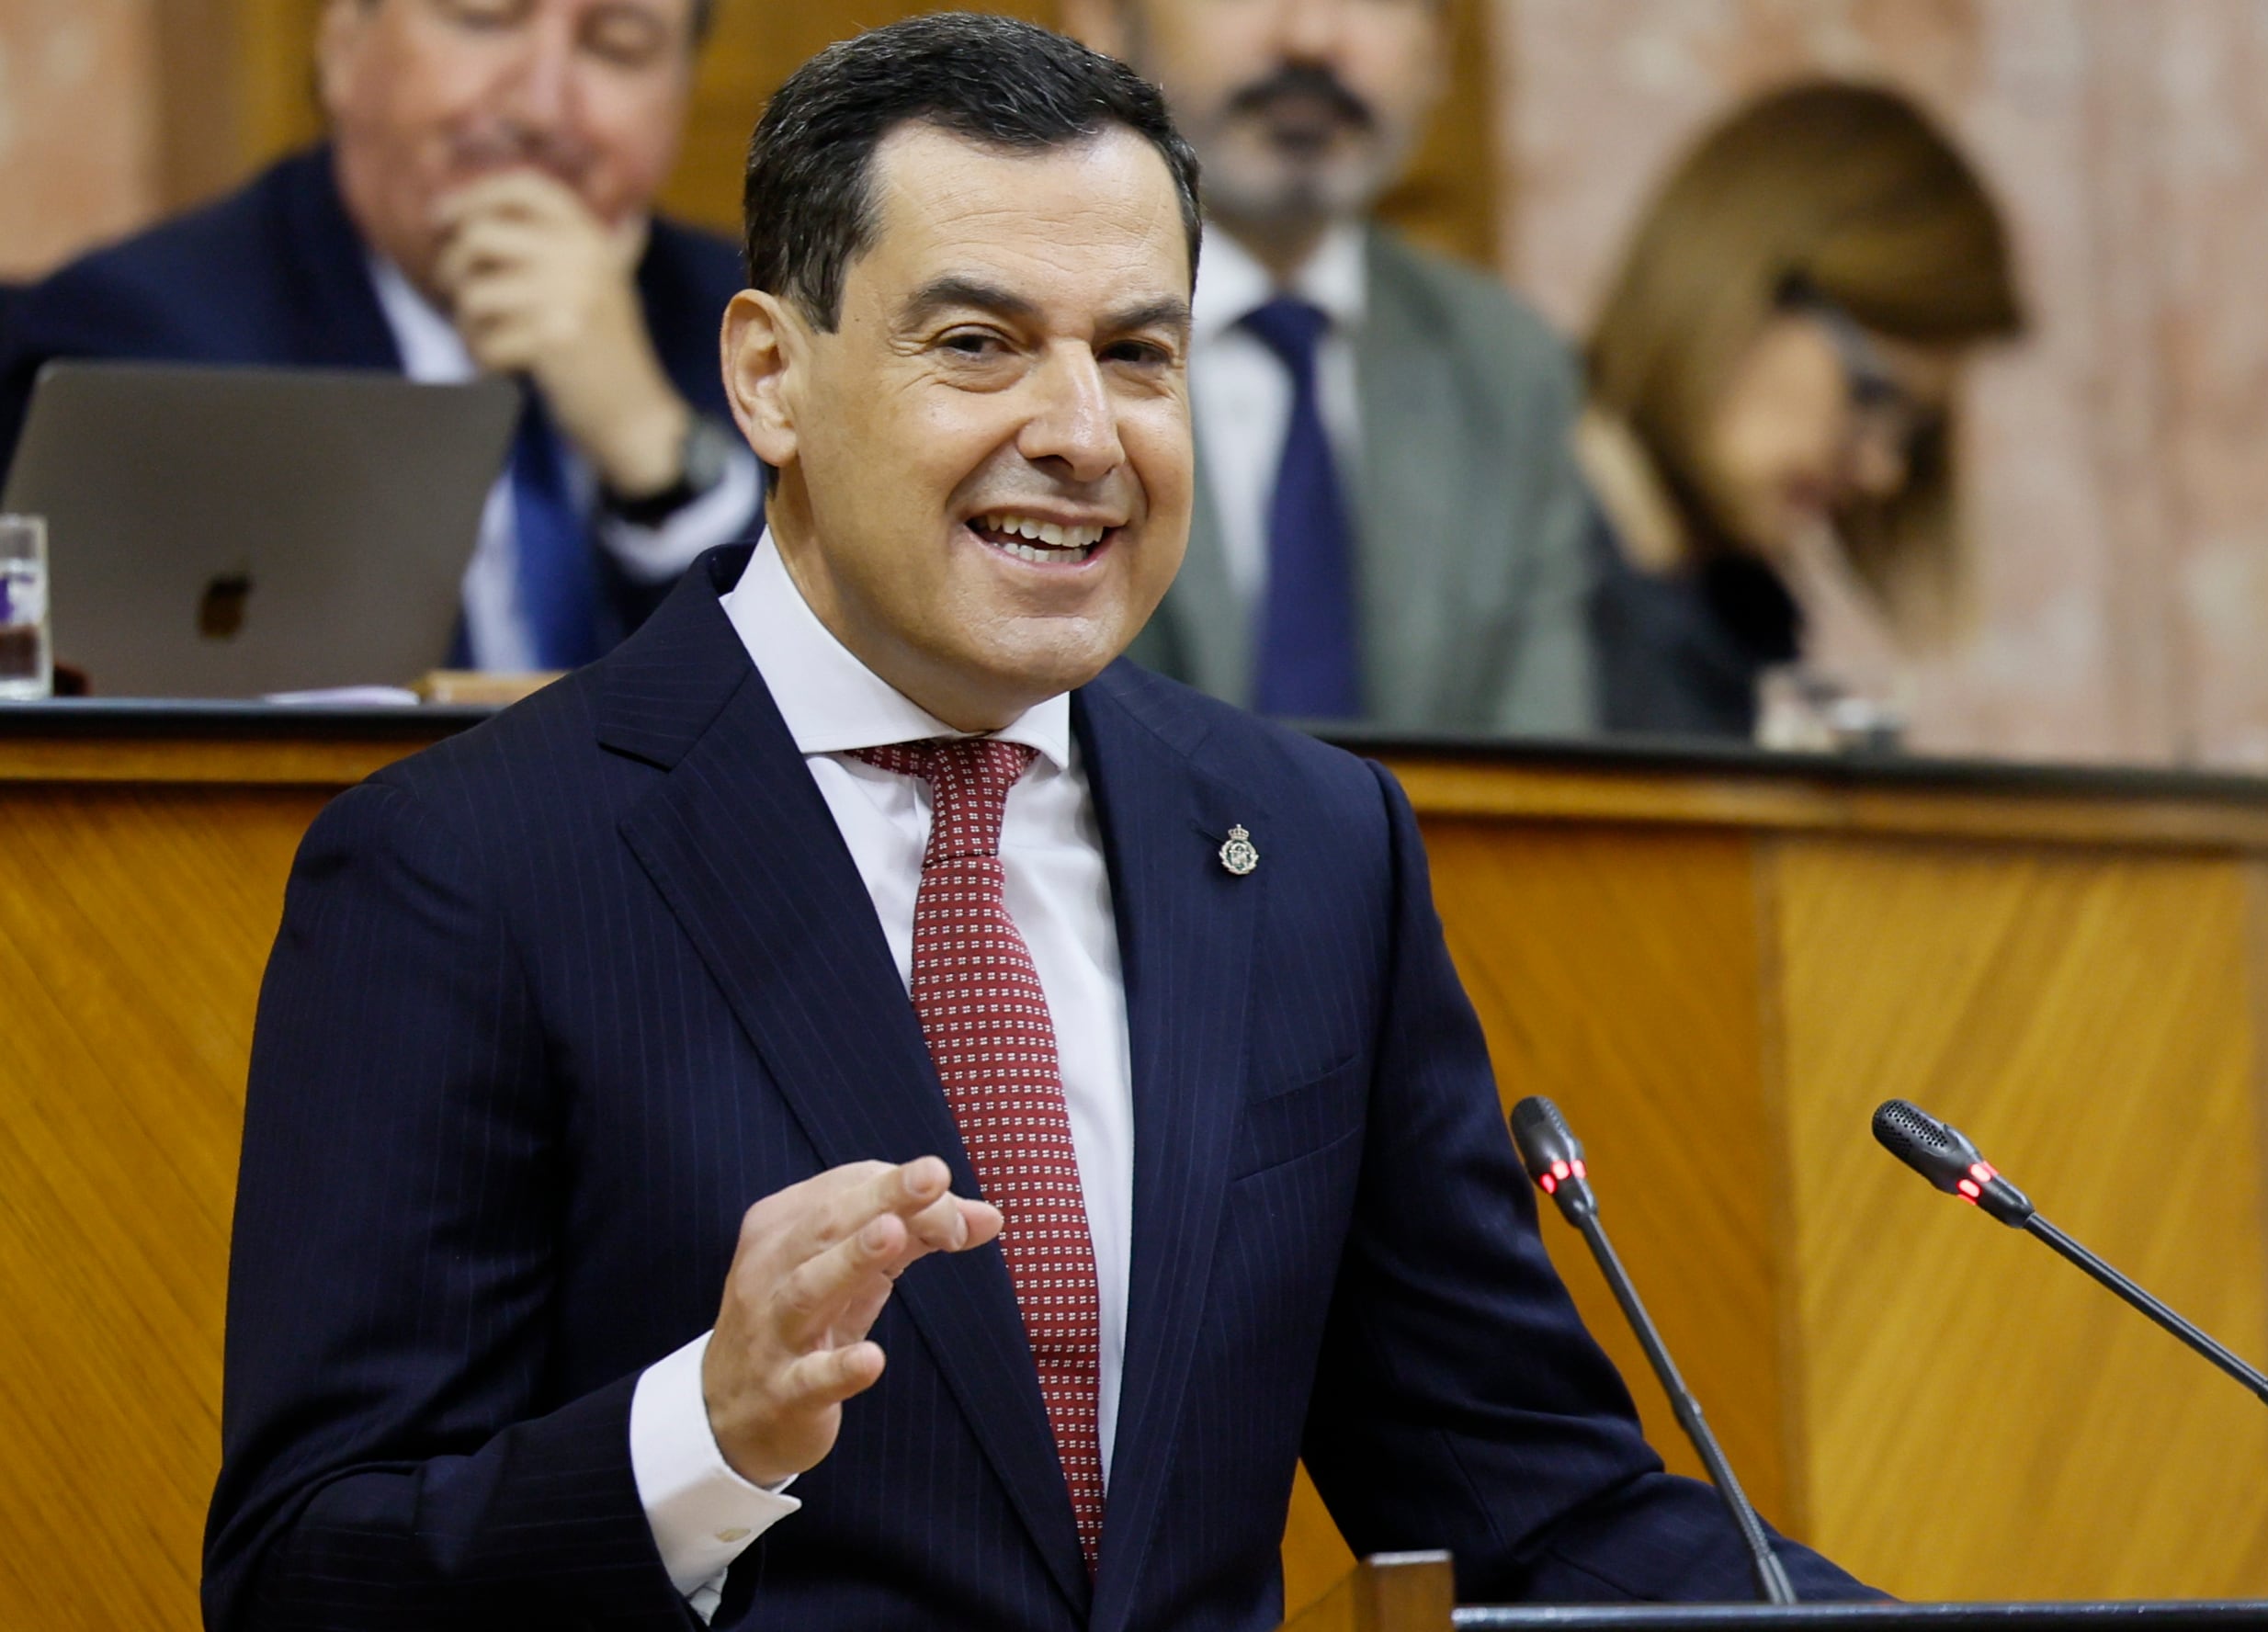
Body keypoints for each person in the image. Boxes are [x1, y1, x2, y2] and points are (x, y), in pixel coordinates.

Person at [205, 16, 1872, 1628]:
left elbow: (1534, 1504)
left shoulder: (1313, 851)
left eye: (1138, 353)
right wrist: (698, 1438)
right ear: (773, 379)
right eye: (978, 344)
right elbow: (303, 1572)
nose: (1080, 435)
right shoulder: (466, 868)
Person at [0, 0, 758, 673]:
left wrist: (655, 454)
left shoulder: (760, 328)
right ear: (341, 46)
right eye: (483, 19)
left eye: (618, 45)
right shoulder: (147, 344)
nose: (540, 106)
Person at [1060, 0, 1593, 734]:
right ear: (1106, 21)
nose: (1311, 37)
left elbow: (1538, 780)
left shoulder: (1505, 365)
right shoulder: (1011, 332)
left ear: (1439, 49)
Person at [1579, 81, 2024, 740]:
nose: (1882, 470)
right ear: (1741, 287)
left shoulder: (1744, 615)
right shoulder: (1496, 533)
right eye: (1872, 393)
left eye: (1914, 432)